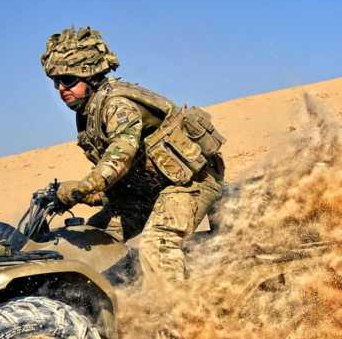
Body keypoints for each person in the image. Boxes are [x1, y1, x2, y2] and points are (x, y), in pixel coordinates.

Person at [41, 25, 226, 286]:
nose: (61, 88)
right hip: (150, 190)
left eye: (69, 80)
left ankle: (180, 321)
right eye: (55, 82)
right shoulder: (87, 111)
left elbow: (121, 153)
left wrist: (86, 185)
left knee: (157, 244)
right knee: (94, 237)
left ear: (92, 75)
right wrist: (86, 196)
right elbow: (130, 170)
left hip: (191, 183)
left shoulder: (116, 104)